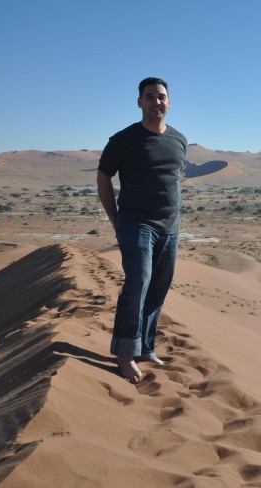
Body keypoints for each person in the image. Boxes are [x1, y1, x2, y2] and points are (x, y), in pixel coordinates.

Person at [97, 77, 187, 383]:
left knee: (158, 288)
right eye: (150, 97)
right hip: (136, 223)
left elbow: (173, 179)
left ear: (169, 102)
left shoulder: (179, 140)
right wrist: (115, 219)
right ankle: (124, 355)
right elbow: (103, 177)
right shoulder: (123, 140)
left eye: (161, 97)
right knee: (138, 283)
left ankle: (146, 348)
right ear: (139, 103)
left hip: (169, 227)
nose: (156, 102)